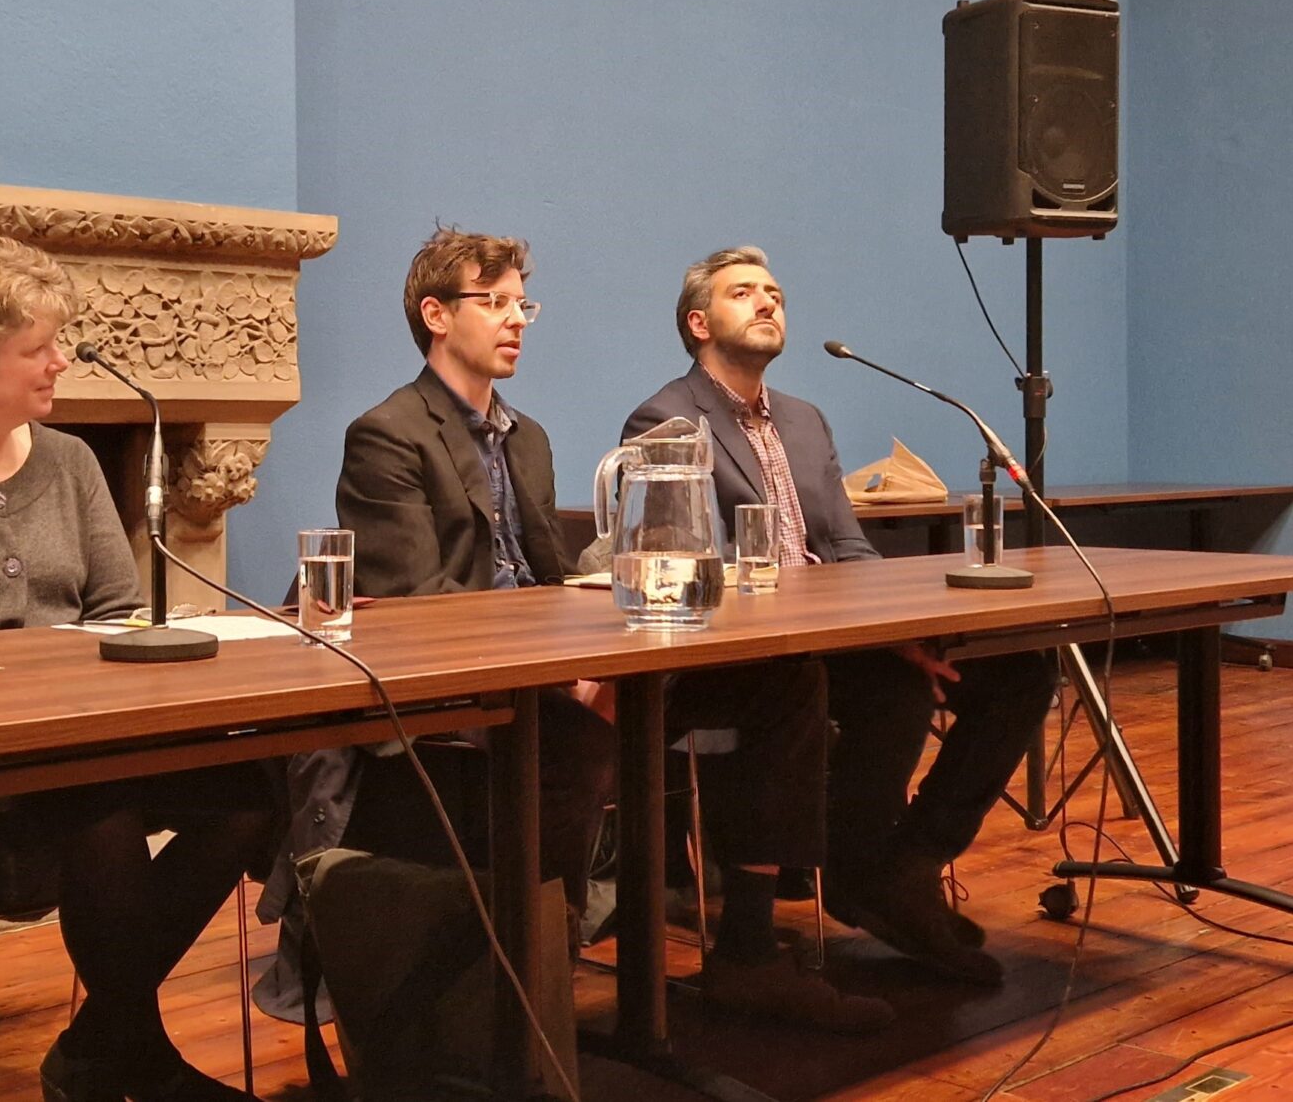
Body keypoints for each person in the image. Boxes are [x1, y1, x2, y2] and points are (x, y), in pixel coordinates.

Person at [307, 226, 888, 1032]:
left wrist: (602, 617)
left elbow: (550, 577)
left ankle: (749, 953)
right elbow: (424, 609)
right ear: (436, 315)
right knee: (575, 738)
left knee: (783, 679)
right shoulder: (388, 434)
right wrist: (564, 668)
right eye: (496, 302)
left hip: (561, 670)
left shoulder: (529, 438)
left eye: (523, 304)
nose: (517, 319)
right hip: (465, 693)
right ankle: (531, 994)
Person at [0, 235, 280, 1102]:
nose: (60, 362)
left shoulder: (69, 461)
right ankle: (132, 1056)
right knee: (102, 813)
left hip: (86, 740)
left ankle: (101, 1044)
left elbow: (118, 614)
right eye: (39, 348)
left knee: (249, 798)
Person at [627, 246, 1058, 985]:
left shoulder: (804, 419)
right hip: (752, 652)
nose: (768, 301)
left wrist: (903, 630)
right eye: (743, 293)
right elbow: (684, 562)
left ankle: (911, 860)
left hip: (842, 636)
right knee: (893, 692)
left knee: (1019, 668)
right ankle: (857, 874)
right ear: (698, 322)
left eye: (775, 292)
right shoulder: (666, 417)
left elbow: (848, 546)